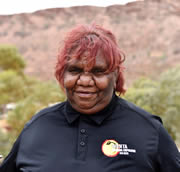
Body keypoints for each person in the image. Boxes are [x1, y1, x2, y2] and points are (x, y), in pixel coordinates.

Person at [0, 24, 180, 172]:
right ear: (62, 74)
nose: (85, 81)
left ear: (116, 75)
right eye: (75, 70)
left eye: (98, 71)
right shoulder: (37, 127)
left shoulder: (149, 131)